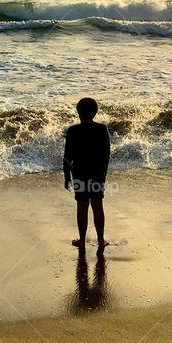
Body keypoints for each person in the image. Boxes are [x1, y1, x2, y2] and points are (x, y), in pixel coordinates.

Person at [63, 97, 111, 255]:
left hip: (79, 173)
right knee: (97, 205)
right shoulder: (102, 129)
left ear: (78, 113)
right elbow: (106, 155)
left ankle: (82, 241)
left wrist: (67, 177)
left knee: (82, 207)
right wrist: (103, 174)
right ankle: (101, 239)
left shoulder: (73, 131)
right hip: (97, 173)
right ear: (95, 112)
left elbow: (67, 158)